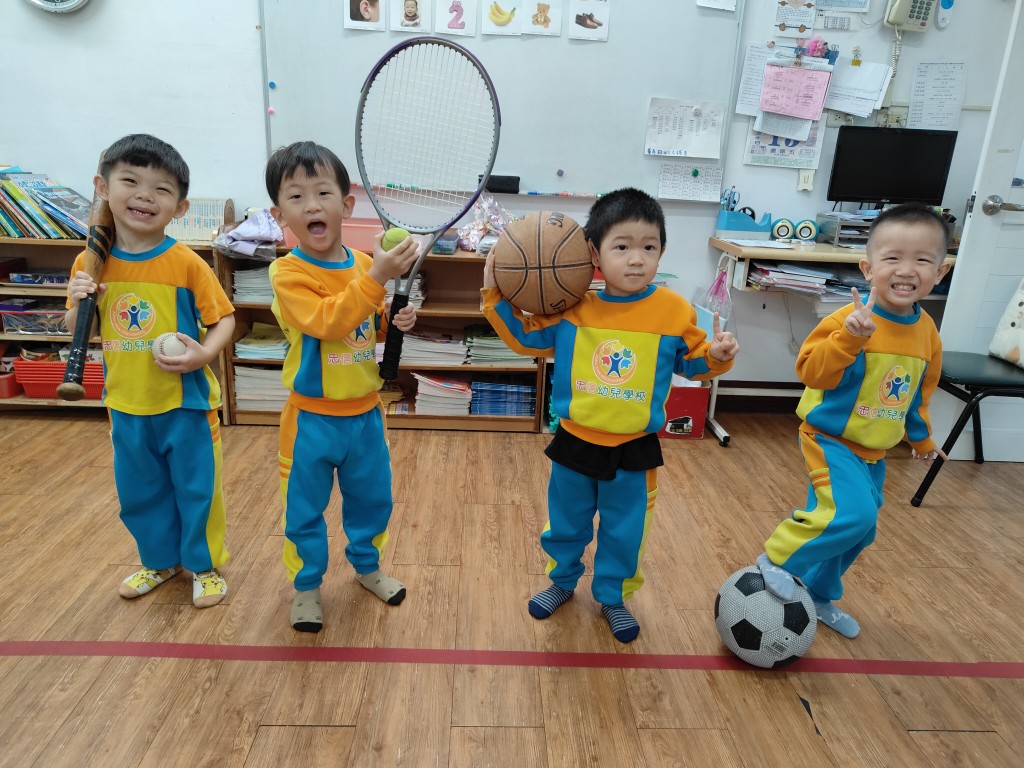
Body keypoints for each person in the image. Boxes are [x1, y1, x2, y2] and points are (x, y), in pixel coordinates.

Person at [481, 188, 739, 643]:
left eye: (649, 246)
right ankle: (562, 582)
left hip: (633, 449)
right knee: (566, 523)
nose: (637, 259)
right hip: (575, 442)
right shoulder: (573, 308)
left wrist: (717, 356)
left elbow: (692, 364)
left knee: (625, 531)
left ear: (661, 252)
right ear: (595, 254)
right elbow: (525, 338)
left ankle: (613, 598)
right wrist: (494, 294)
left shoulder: (673, 311)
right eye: (622, 246)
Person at [756, 203, 952, 638]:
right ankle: (777, 558)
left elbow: (919, 395)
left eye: (922, 260)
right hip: (829, 440)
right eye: (893, 257)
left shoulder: (927, 333)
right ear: (868, 268)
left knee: (861, 532)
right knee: (852, 516)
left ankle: (819, 595)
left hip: (874, 450)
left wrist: (922, 440)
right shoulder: (847, 320)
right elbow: (812, 373)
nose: (907, 269)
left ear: (940, 272)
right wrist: (849, 339)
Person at [65, 134, 235, 608]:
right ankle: (159, 561)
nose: (144, 196)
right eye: (131, 181)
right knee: (139, 492)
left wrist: (203, 355)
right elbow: (78, 328)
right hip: (126, 403)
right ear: (103, 187)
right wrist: (77, 303)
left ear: (179, 208)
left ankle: (204, 566)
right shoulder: (89, 263)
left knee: (197, 490)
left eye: (161, 189)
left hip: (186, 404)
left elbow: (223, 319)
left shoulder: (186, 263)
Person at [264, 141, 420, 633]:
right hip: (310, 420)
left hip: (365, 416)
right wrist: (378, 276)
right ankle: (306, 586)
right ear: (279, 215)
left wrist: (395, 320)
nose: (312, 205)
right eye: (296, 196)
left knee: (373, 500)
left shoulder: (362, 264)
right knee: (303, 510)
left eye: (323, 193)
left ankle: (368, 568)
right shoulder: (286, 272)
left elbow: (363, 325)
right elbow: (327, 321)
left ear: (346, 205)